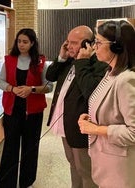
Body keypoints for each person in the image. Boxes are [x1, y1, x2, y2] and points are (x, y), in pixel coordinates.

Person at [46, 25, 108, 188]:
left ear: (87, 44)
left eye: (74, 43)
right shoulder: (68, 60)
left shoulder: (98, 64)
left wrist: (82, 61)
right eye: (67, 42)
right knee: (73, 166)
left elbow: (90, 91)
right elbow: (50, 75)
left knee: (86, 171)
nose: (69, 46)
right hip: (66, 126)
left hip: (82, 130)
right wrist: (61, 56)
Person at [78, 20, 135, 188]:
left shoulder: (126, 80)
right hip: (105, 162)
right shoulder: (110, 73)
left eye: (98, 42)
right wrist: (91, 117)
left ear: (116, 47)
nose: (94, 47)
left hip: (119, 171)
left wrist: (95, 129)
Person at [0, 28, 53, 188]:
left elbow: (49, 86)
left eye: (25, 42)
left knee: (30, 148)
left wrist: (32, 89)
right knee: (10, 148)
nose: (21, 44)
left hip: (33, 113)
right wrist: (12, 89)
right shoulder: (9, 60)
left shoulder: (40, 62)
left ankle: (27, 182)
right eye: (19, 41)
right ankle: (6, 183)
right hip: (12, 111)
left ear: (32, 43)